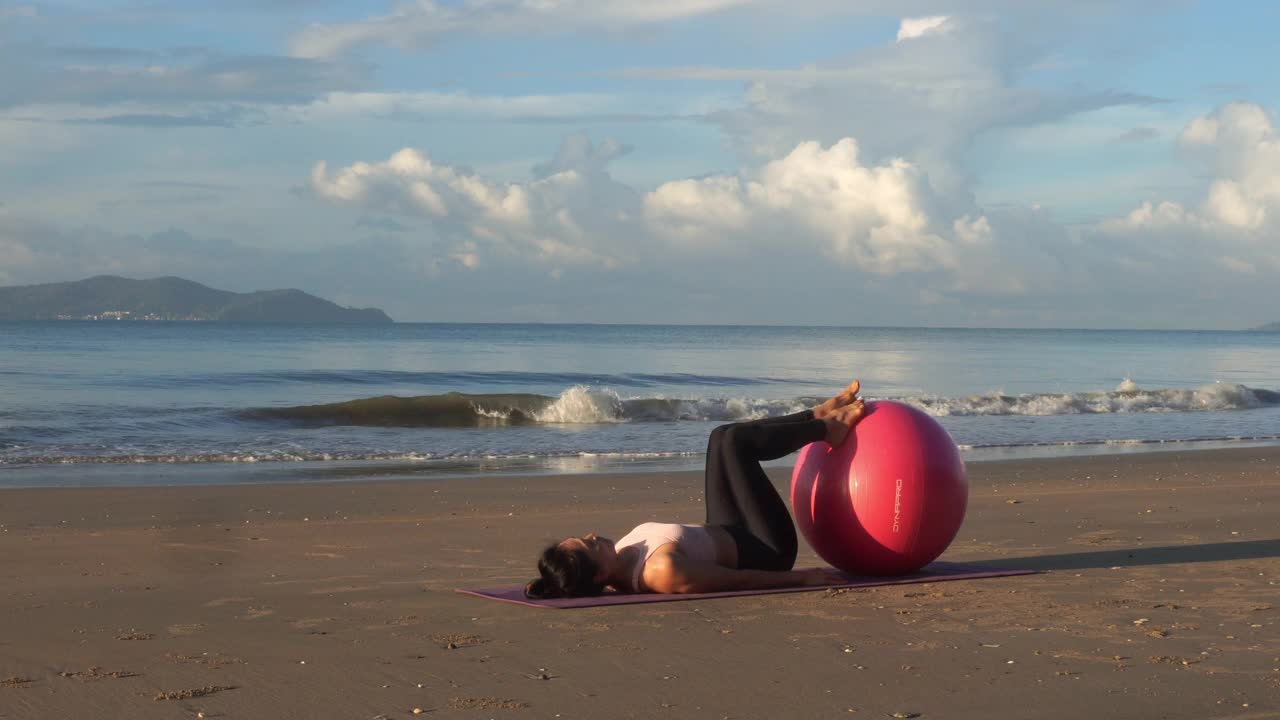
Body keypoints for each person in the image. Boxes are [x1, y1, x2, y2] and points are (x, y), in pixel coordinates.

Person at [525, 381, 867, 598]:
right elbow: (735, 582)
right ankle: (826, 429)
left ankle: (817, 416)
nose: (591, 535)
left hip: (731, 529)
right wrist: (800, 579)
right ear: (599, 573)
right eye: (589, 544)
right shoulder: (660, 572)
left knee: (719, 437)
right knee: (734, 443)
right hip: (767, 547)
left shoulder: (620, 554)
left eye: (583, 537)